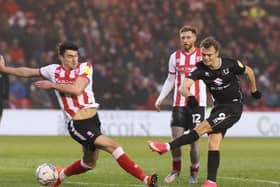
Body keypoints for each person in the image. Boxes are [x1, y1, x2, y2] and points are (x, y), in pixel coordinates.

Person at [0, 42, 158, 187]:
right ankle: (146, 180)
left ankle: (59, 177)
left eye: (76, 56)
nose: (74, 60)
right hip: (77, 124)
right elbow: (28, 72)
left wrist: (52, 85)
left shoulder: (85, 68)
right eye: (69, 56)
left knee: (89, 163)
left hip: (93, 120)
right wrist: (5, 69)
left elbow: (77, 89)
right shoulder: (53, 70)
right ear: (61, 57)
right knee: (113, 146)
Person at [148, 36, 262, 187]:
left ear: (217, 54)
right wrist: (189, 96)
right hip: (218, 108)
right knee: (213, 144)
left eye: (210, 55)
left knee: (201, 128)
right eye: (204, 55)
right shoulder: (200, 68)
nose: (206, 58)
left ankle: (166, 147)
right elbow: (183, 86)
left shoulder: (230, 64)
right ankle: (211, 182)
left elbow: (249, 72)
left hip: (233, 107)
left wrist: (254, 90)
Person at [154, 25, 206, 184]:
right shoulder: (174, 57)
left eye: (188, 37)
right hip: (178, 104)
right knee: (175, 140)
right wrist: (160, 98)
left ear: (194, 39)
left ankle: (194, 172)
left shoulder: (202, 56)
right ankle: (175, 170)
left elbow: (210, 76)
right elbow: (170, 80)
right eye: (183, 37)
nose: (185, 40)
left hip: (197, 104)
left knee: (194, 141)